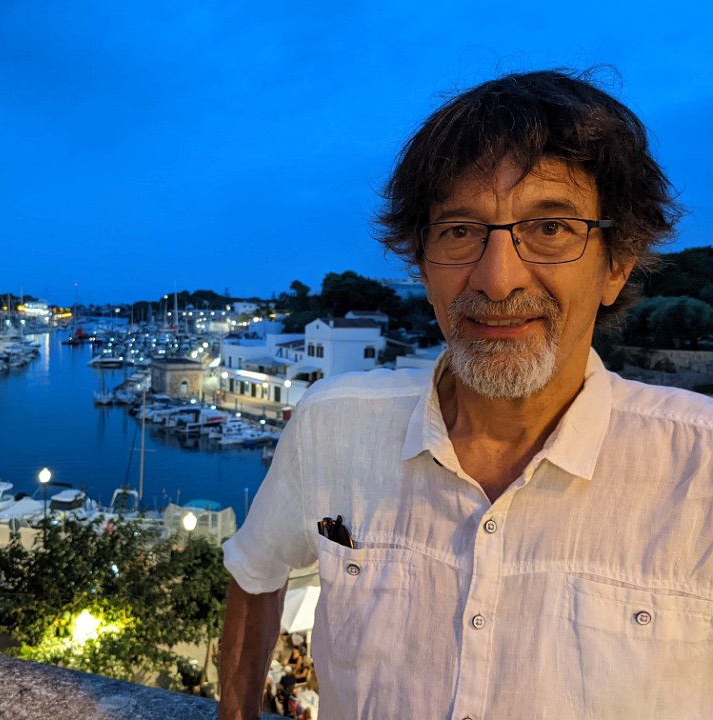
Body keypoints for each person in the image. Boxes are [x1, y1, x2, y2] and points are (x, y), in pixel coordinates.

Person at [219, 70, 713, 719]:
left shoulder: (699, 469)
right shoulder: (332, 427)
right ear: (423, 266)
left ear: (616, 265)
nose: (498, 279)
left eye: (551, 228)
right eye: (459, 231)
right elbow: (256, 572)